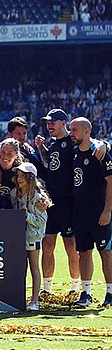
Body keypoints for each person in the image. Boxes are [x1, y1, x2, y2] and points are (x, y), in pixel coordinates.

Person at [35, 108, 84, 295]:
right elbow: (51, 167)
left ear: (64, 123)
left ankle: (75, 287)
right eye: (47, 123)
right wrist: (42, 149)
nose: (49, 126)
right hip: (50, 203)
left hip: (68, 202)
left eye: (53, 122)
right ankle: (47, 289)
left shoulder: (73, 143)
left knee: (70, 246)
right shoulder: (53, 144)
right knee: (48, 245)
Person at [68, 117, 112, 308]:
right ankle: (86, 293)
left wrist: (107, 210)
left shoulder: (99, 153)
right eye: (71, 129)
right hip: (80, 212)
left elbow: (111, 181)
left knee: (105, 252)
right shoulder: (75, 152)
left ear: (87, 131)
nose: (71, 133)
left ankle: (110, 293)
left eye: (75, 130)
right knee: (83, 252)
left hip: (99, 212)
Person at [12, 162, 52, 311]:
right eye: (18, 176)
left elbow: (42, 222)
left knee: (34, 267)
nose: (19, 179)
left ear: (31, 177)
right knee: (20, 268)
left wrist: (27, 216)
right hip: (16, 237)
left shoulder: (38, 198)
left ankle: (35, 301)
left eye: (23, 176)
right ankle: (18, 299)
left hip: (32, 237)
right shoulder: (14, 194)